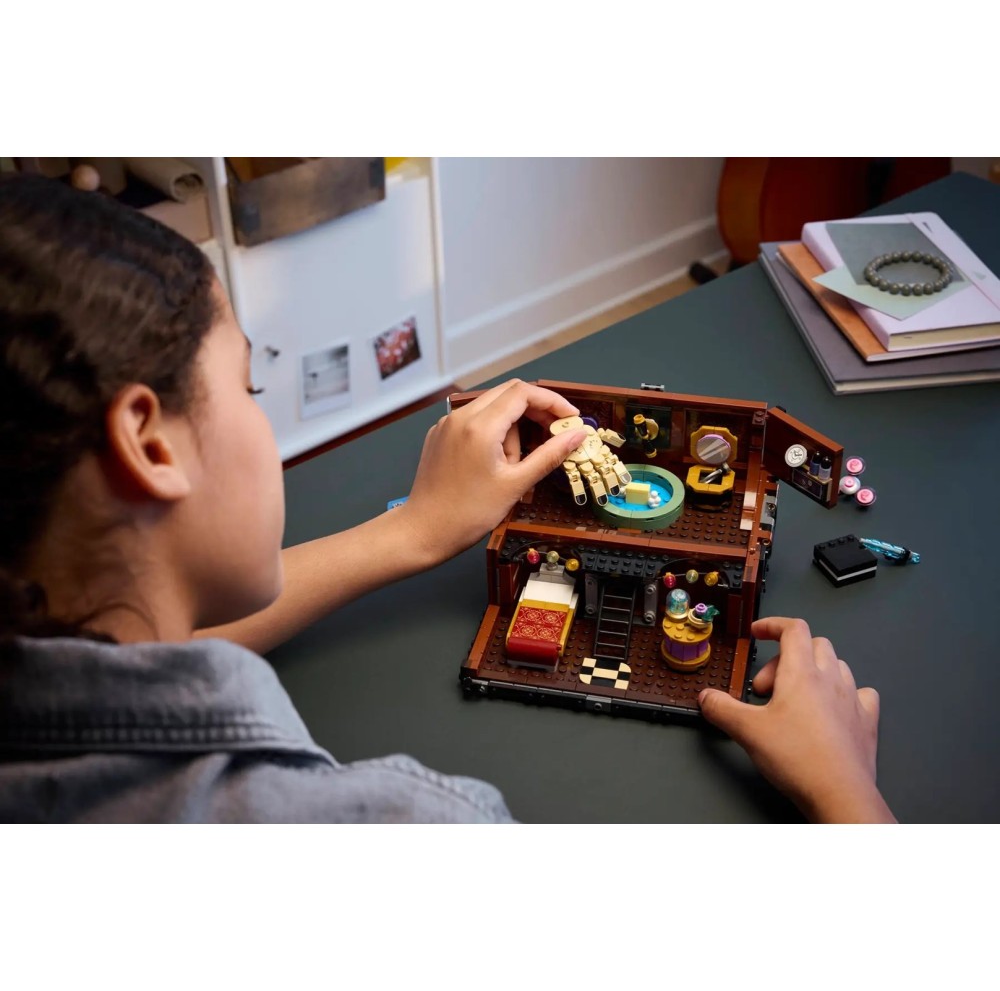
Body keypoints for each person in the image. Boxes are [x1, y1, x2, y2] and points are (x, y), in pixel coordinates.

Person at [0, 175, 895, 824]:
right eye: (248, 386)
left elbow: (136, 650)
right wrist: (849, 797)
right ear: (150, 444)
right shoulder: (417, 823)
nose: (258, 408)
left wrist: (415, 533)